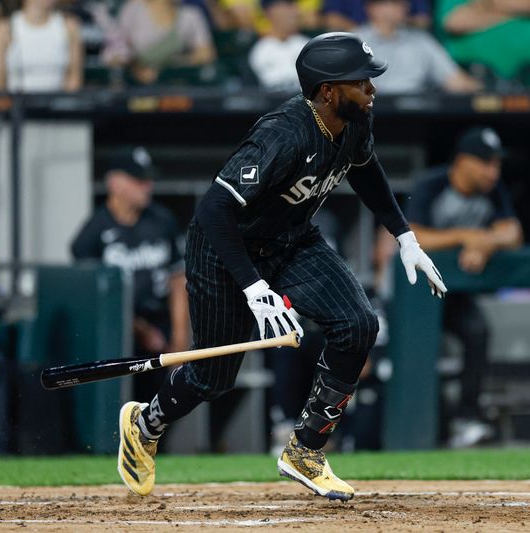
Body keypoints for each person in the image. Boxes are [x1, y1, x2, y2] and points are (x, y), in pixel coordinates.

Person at [116, 32, 447, 502]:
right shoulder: (284, 133)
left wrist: (405, 236)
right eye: (362, 83)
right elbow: (213, 210)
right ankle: (145, 423)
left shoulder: (354, 122)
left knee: (358, 326)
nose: (372, 91)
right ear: (328, 91)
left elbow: (366, 171)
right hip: (224, 248)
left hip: (291, 239)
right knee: (214, 377)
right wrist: (251, 286)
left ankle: (305, 451)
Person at [405, 126, 522, 447]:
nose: (493, 172)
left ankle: (467, 420)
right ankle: (414, 430)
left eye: (496, 164)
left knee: (477, 332)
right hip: (412, 296)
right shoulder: (432, 184)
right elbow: (412, 236)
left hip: (452, 295)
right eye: (485, 163)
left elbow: (512, 233)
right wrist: (463, 237)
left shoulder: (493, 192)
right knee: (414, 355)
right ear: (463, 161)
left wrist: (485, 242)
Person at [71, 147, 190, 401]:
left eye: (148, 180)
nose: (147, 187)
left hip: (160, 327)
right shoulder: (94, 232)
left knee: (158, 407)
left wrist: (180, 335)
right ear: (115, 183)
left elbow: (177, 279)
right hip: (115, 334)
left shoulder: (161, 220)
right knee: (120, 403)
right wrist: (139, 329)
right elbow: (92, 297)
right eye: (139, 180)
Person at [355, 0, 480, 94]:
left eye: (399, 3)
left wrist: (488, 91)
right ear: (370, 7)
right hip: (367, 117)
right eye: (386, 3)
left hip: (419, 117)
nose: (393, 9)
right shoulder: (353, 42)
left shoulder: (421, 41)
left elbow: (454, 80)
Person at [103, 0, 216, 85]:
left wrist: (170, 64)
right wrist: (135, 67)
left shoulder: (190, 15)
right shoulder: (134, 9)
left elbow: (206, 54)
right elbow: (114, 54)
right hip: (134, 85)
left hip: (177, 84)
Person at [0, 0, 83, 92]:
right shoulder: (5, 28)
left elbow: (74, 77)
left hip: (57, 103)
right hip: (17, 103)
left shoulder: (69, 26)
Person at [247, 0, 309, 91]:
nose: (296, 11)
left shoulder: (308, 45)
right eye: (288, 5)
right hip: (272, 103)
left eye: (295, 6)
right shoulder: (259, 50)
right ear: (269, 12)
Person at [323, 0, 430, 30]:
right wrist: (369, 33)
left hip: (402, 38)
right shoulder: (362, 36)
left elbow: (423, 21)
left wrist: (395, 21)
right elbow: (331, 19)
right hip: (357, 39)